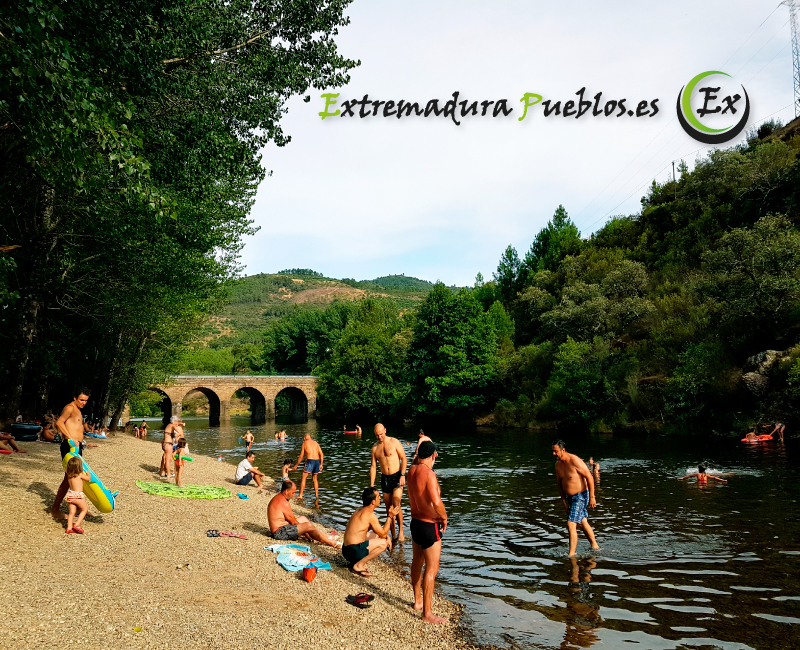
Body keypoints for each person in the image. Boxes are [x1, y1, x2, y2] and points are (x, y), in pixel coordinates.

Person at [408, 440, 447, 624]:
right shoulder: (429, 474)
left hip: (415, 522)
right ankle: (427, 614)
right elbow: (436, 502)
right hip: (429, 524)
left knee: (417, 561)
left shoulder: (412, 471)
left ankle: (417, 602)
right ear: (434, 455)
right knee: (432, 568)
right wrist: (444, 518)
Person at [553, 440, 600, 557]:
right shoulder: (558, 465)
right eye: (553, 451)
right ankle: (595, 546)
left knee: (571, 524)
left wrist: (592, 497)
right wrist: (564, 501)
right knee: (582, 522)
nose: (553, 454)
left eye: (556, 451)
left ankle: (571, 555)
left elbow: (589, 477)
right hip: (569, 498)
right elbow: (560, 485)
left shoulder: (575, 461)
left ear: (563, 450)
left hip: (580, 496)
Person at [50, 388, 91, 520]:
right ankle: (55, 509)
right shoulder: (70, 407)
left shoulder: (78, 410)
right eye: (81, 400)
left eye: (86, 400)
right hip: (69, 446)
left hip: (76, 447)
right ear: (75, 398)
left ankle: (79, 507)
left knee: (76, 476)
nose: (84, 403)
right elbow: (59, 422)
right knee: (70, 478)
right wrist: (70, 438)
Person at [342, 487, 399, 577]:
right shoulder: (370, 515)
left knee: (378, 536)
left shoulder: (359, 509)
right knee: (383, 544)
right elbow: (383, 533)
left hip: (346, 549)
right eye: (378, 496)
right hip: (352, 551)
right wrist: (390, 517)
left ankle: (355, 561)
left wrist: (387, 536)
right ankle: (358, 566)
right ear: (373, 501)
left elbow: (380, 532)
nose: (380, 498)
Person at [267, 480, 340, 547]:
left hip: (283, 528)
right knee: (308, 526)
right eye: (293, 492)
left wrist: (306, 531)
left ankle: (325, 537)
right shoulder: (284, 503)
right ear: (286, 491)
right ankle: (332, 543)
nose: (294, 495)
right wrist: (306, 532)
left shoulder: (278, 498)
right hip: (280, 533)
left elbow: (291, 521)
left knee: (303, 518)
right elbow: (294, 522)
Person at [370, 423, 408, 543]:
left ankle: (401, 532)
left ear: (385, 430)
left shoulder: (394, 442)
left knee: (396, 502)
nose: (379, 436)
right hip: (385, 478)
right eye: (377, 435)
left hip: (397, 476)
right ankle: (393, 534)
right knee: (388, 508)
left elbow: (404, 458)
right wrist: (371, 485)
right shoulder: (375, 448)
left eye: (381, 434)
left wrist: (402, 475)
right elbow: (373, 466)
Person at [293, 434, 324, 499]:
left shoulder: (304, 443)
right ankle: (316, 495)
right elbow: (321, 454)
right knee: (315, 479)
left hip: (310, 461)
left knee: (304, 477)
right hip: (317, 461)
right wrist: (321, 464)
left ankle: (300, 495)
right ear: (310, 438)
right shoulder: (316, 443)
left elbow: (301, 456)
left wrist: (296, 465)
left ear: (304, 438)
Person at [64, 456, 90, 534]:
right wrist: (88, 473)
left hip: (70, 495)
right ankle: (77, 524)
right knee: (84, 509)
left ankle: (69, 528)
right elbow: (88, 479)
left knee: (72, 512)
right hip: (78, 496)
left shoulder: (68, 475)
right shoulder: (80, 475)